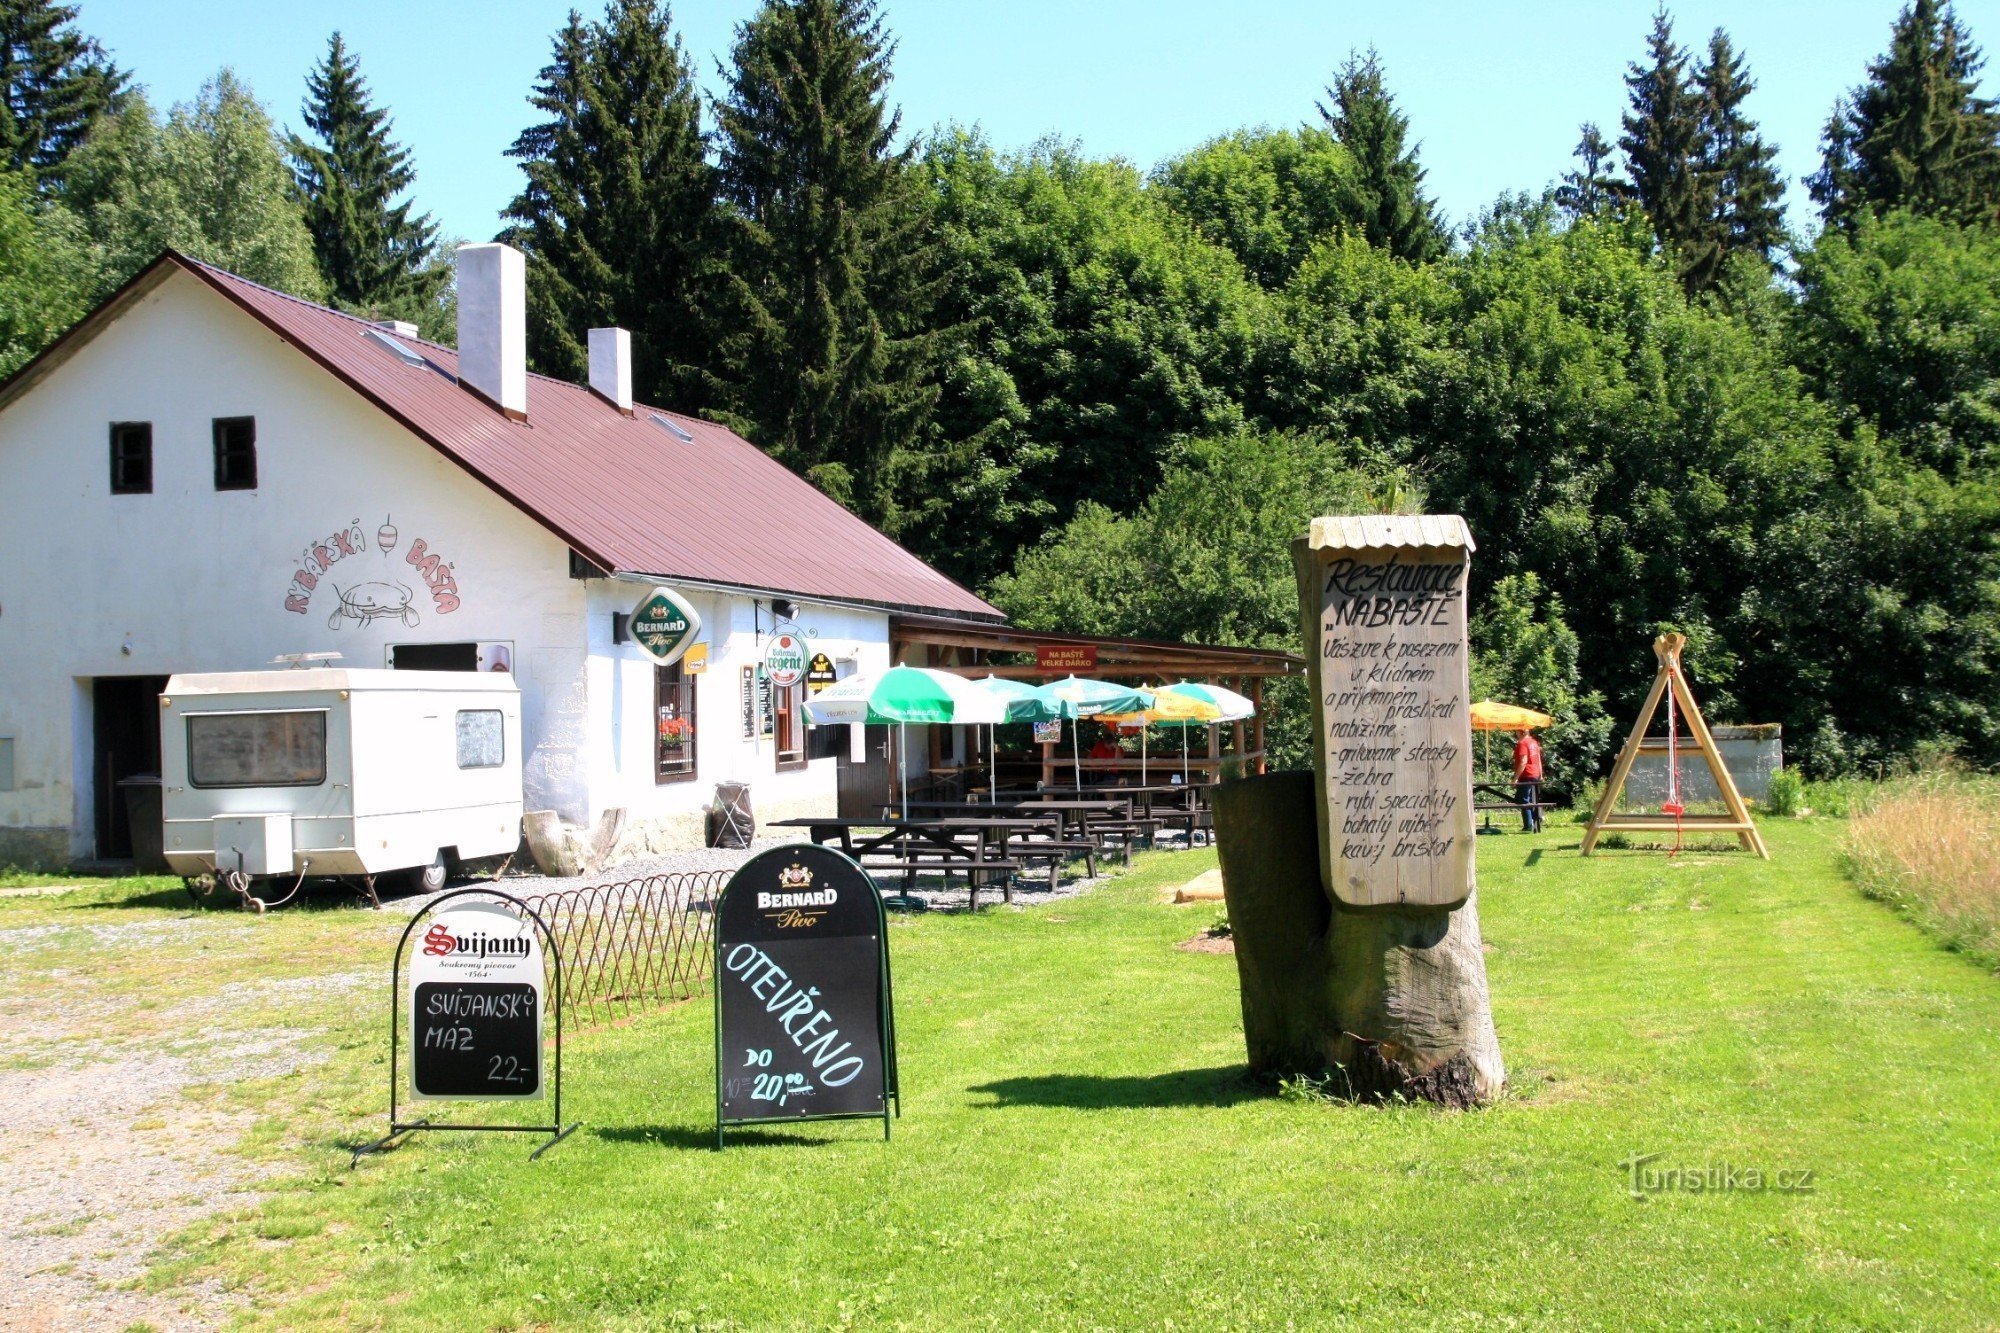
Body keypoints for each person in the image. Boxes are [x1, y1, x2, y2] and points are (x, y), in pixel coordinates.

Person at [1513, 728, 1544, 833]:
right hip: (1535, 774)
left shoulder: (1522, 743)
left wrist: (1515, 778)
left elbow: (1523, 761)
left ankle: (1528, 826)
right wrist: (1540, 774)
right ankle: (1537, 819)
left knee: (1523, 800)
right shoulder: (1534, 742)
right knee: (1531, 799)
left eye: (1516, 731)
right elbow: (1538, 759)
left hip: (1526, 775)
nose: (1515, 733)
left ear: (1520, 732)